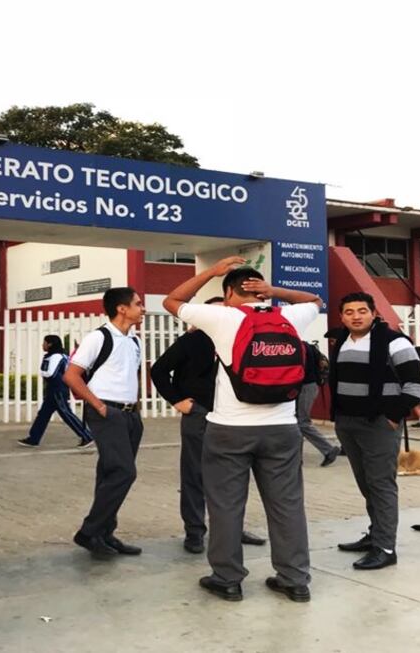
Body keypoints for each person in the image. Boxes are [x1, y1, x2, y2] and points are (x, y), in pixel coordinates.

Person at [163, 258, 323, 603]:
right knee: (287, 506)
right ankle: (294, 580)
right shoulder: (289, 317)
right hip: (282, 428)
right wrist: (275, 292)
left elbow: (171, 301)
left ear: (227, 292)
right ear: (260, 289)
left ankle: (228, 579)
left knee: (226, 507)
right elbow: (315, 301)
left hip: (229, 430)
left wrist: (210, 271)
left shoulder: (222, 316)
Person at [149, 297, 267, 554]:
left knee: (234, 475)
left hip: (235, 415)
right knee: (194, 474)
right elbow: (158, 370)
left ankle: (233, 528)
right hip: (200, 414)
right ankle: (194, 532)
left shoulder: (241, 338)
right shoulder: (193, 341)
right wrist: (178, 401)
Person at [329, 292, 420, 571]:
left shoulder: (394, 342)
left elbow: (416, 384)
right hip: (348, 423)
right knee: (366, 484)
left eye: (362, 311)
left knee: (381, 485)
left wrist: (395, 414)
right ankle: (376, 534)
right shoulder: (342, 341)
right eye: (349, 312)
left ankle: (385, 547)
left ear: (373, 313)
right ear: (342, 316)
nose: (356, 316)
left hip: (379, 424)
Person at [64, 287, 146, 560]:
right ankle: (88, 532)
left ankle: (104, 533)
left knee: (109, 474)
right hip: (106, 412)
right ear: (122, 308)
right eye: (137, 304)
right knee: (125, 472)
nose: (142, 308)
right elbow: (72, 376)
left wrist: (134, 409)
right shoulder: (98, 338)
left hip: (130, 415)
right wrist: (99, 406)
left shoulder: (134, 340)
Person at [17, 335, 93, 448]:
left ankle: (87, 436)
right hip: (56, 389)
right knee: (43, 414)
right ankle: (33, 438)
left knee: (66, 414)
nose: (43, 345)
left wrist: (42, 372)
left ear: (50, 344)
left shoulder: (55, 357)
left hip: (57, 390)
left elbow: (50, 373)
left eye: (45, 342)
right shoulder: (61, 355)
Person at [298, 341, 342, 467]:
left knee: (302, 422)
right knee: (298, 422)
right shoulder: (307, 345)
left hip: (305, 386)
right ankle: (297, 457)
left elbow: (300, 369)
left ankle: (328, 449)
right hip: (309, 386)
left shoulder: (301, 346)